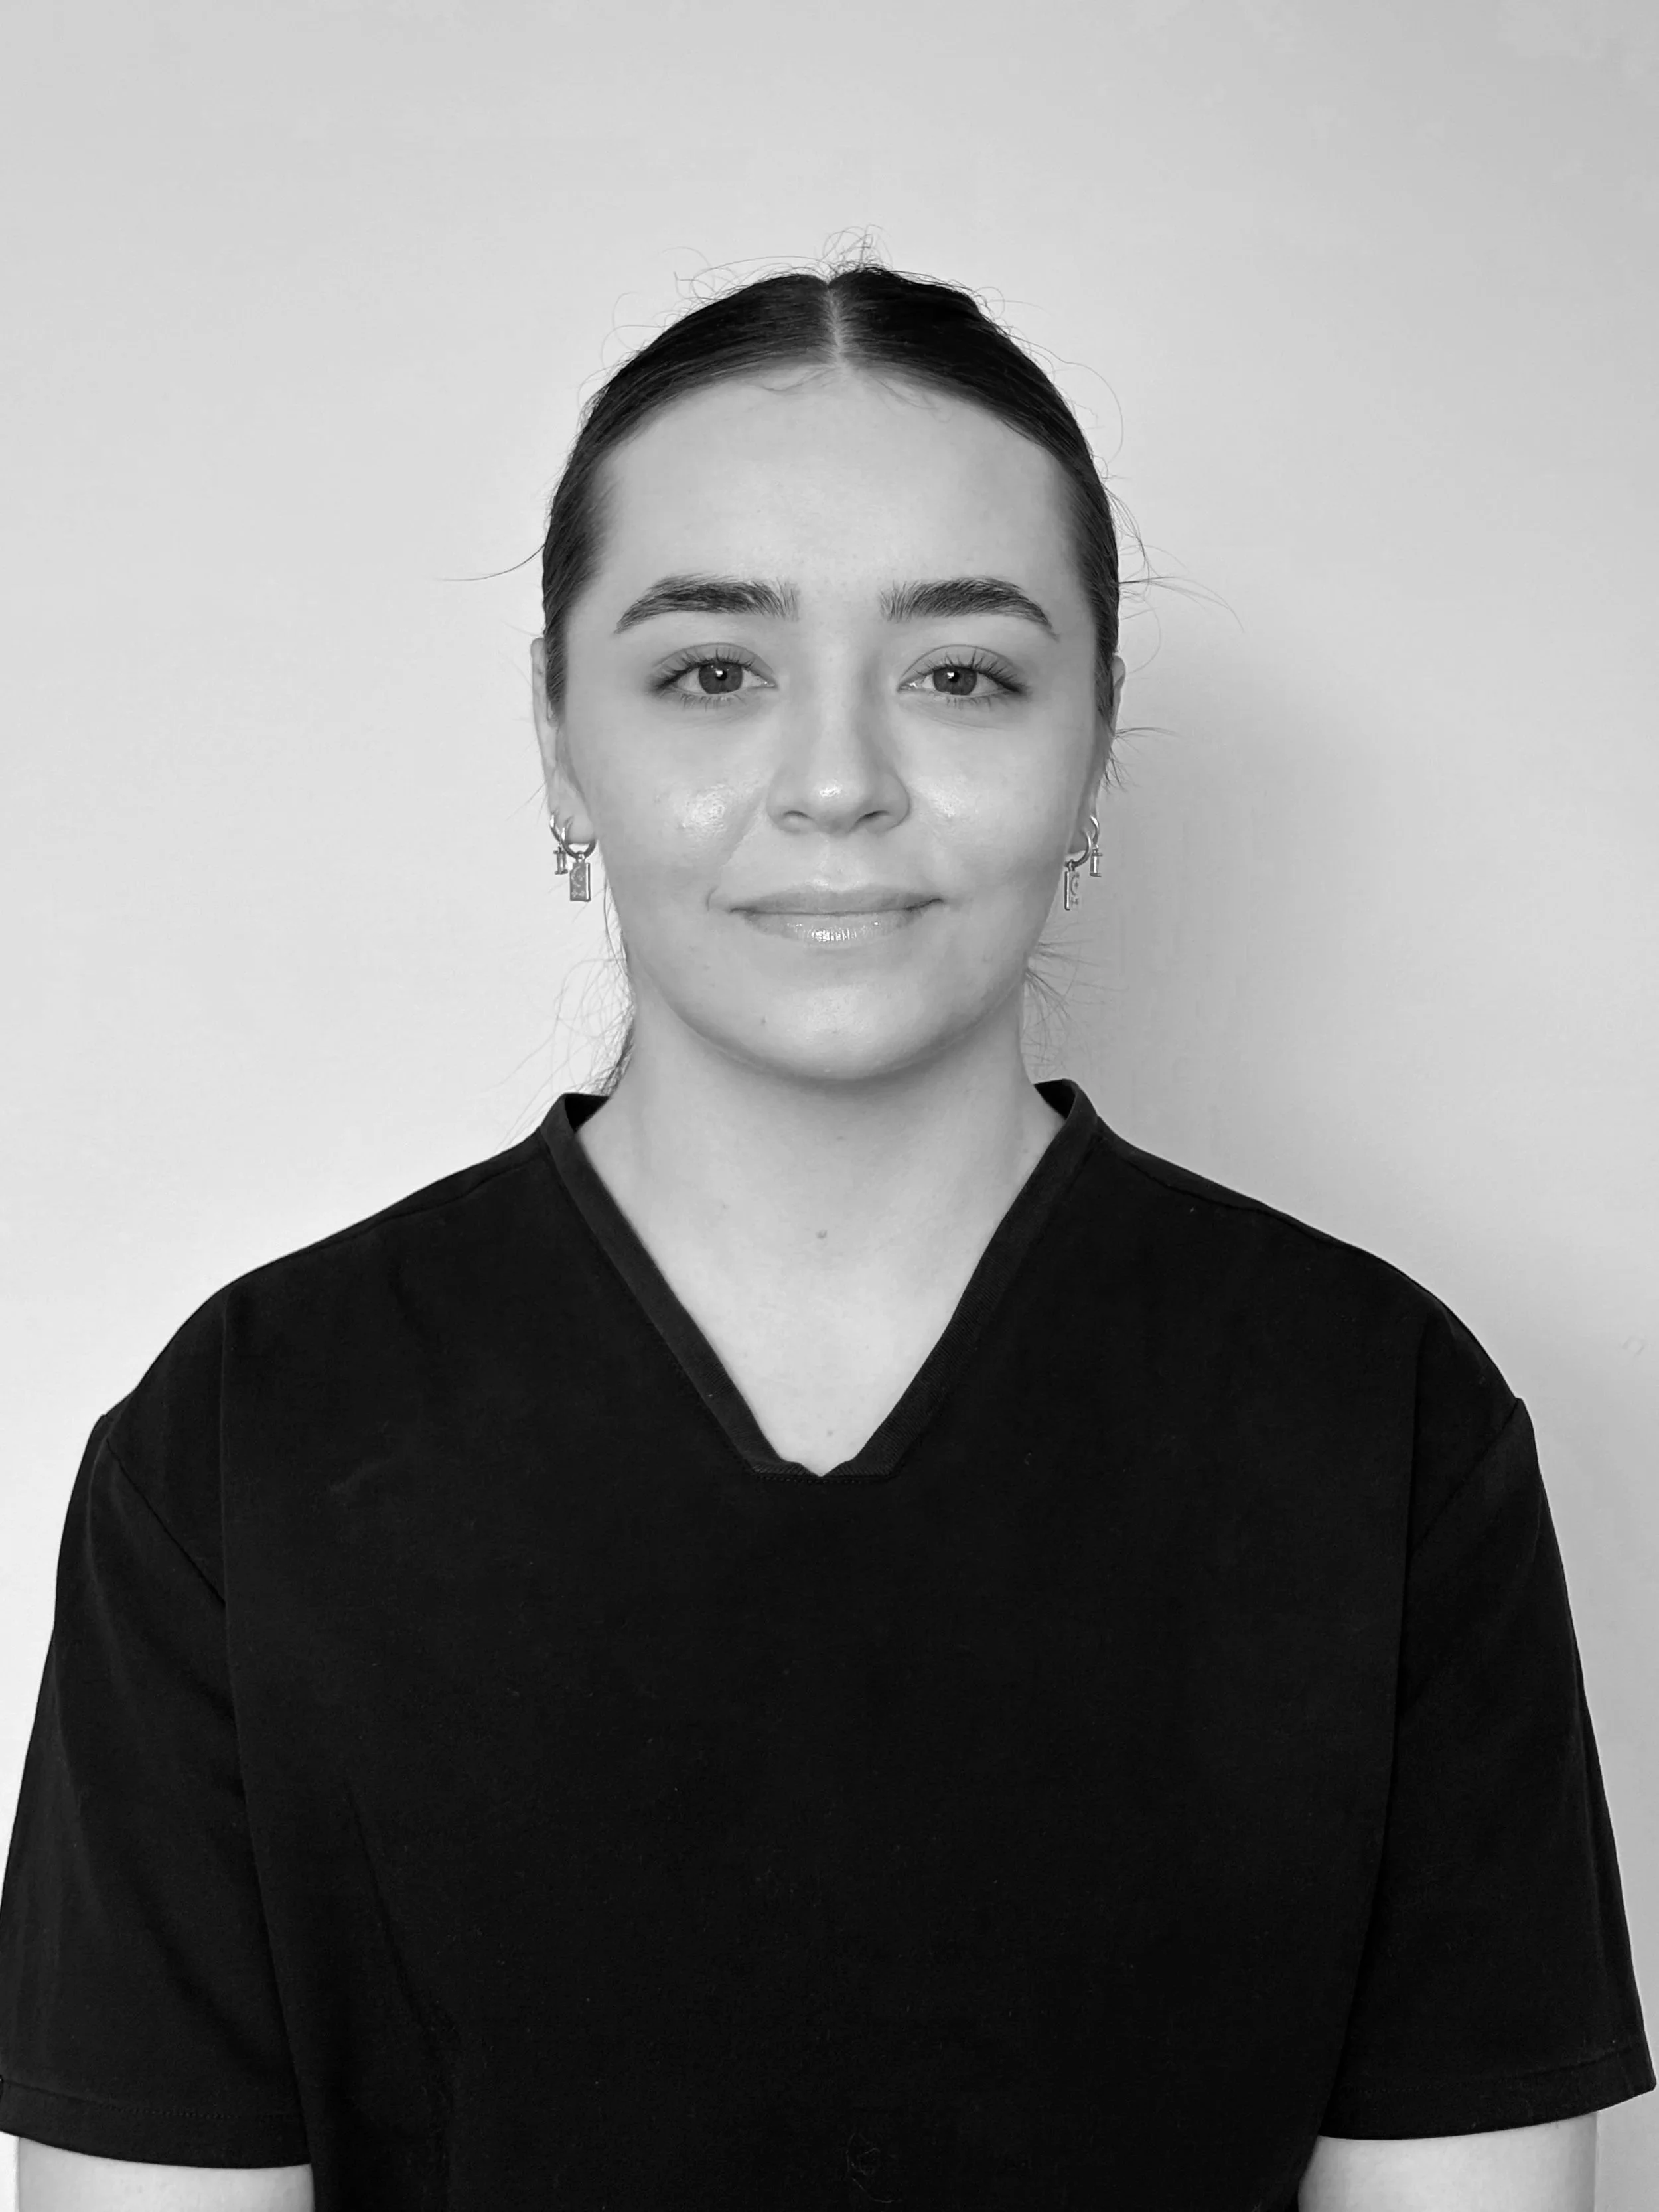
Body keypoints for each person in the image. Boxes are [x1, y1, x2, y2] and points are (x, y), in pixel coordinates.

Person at [0, 253, 1650, 2212]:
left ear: (1092, 741)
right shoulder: (248, 1439)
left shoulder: (1377, 1428)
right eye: (713, 668)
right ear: (557, 738)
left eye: (961, 672)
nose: (840, 781)